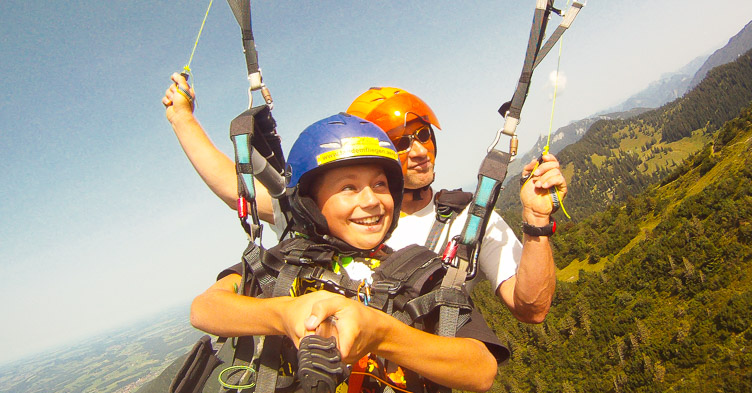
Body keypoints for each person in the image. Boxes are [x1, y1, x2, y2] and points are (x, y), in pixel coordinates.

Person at [162, 76, 566, 323]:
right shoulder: (334, 217)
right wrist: (183, 119)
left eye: (424, 134)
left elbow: (531, 308)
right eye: (401, 142)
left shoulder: (469, 222)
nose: (421, 151)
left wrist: (536, 222)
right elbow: (238, 189)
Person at [190, 113, 506, 393]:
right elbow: (206, 309)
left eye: (380, 184)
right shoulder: (283, 263)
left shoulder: (420, 274)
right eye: (348, 188)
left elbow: (480, 369)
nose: (370, 200)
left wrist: (379, 334)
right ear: (311, 202)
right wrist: (285, 314)